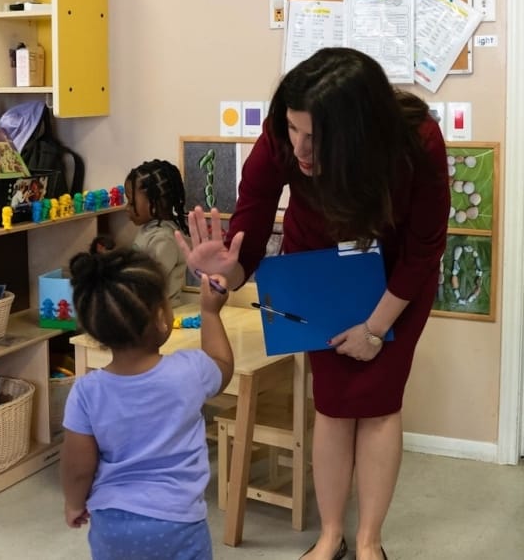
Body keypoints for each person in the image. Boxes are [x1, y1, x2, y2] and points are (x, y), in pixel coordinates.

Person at [176, 47, 449, 560]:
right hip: (319, 269)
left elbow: (424, 248)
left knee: (380, 403)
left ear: (357, 133)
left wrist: (375, 329)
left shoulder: (417, 140)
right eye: (293, 129)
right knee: (333, 401)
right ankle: (330, 536)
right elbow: (253, 219)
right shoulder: (284, 135)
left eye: (315, 138)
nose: (300, 149)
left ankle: (368, 541)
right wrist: (226, 271)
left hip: (395, 281)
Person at [60, 247, 233, 560]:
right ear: (160, 317)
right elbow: (221, 364)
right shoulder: (189, 372)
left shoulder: (86, 391)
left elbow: (77, 468)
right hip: (179, 521)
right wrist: (210, 313)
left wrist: (74, 503)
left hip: (113, 524)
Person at [124, 159, 190, 304]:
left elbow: (149, 282)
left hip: (162, 312)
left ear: (158, 202)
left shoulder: (164, 239)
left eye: (132, 202)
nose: (127, 208)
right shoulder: (150, 229)